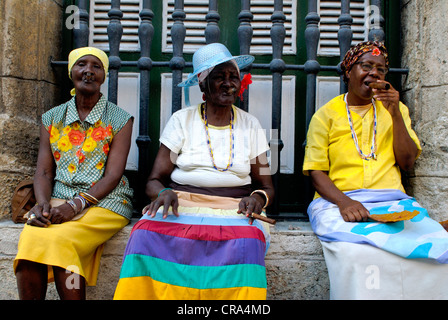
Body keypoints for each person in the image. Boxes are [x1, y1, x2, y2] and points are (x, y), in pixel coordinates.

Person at [113, 43, 274, 300]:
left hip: (234, 207)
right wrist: (163, 192)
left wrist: (257, 199)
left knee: (248, 241)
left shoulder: (252, 125)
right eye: (219, 77)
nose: (228, 84)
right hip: (182, 204)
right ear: (202, 84)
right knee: (143, 235)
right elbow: (154, 179)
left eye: (233, 77)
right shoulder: (181, 120)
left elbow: (267, 185)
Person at [303, 41, 448, 299]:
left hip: (391, 202)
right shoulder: (325, 116)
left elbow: (406, 162)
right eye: (366, 66)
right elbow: (316, 172)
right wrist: (345, 203)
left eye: (380, 69)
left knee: (438, 252)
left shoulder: (395, 110)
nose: (374, 74)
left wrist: (394, 113)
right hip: (337, 202)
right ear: (349, 71)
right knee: (356, 254)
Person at [14, 47, 134, 300]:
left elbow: (113, 175)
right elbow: (44, 171)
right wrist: (43, 205)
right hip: (59, 198)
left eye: (96, 66)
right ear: (71, 72)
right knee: (29, 243)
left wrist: (76, 205)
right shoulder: (52, 118)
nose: (88, 71)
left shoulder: (120, 118)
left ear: (104, 75)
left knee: (62, 240)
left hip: (107, 202)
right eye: (81, 65)